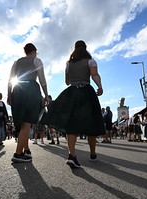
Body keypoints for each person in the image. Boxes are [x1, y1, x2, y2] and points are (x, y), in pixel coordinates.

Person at [42, 40, 105, 168]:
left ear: (74, 49)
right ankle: (92, 153)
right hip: (87, 92)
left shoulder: (68, 64)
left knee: (72, 124)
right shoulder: (91, 61)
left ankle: (72, 155)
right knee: (91, 123)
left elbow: (67, 81)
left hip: (72, 93)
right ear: (85, 48)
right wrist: (100, 86)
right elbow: (94, 74)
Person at [7, 43, 49, 163]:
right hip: (31, 89)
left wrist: (9, 95)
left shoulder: (16, 62)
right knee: (27, 123)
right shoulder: (37, 60)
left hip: (18, 90)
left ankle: (26, 150)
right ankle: (17, 153)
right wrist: (46, 95)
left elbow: (10, 80)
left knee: (21, 122)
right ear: (34, 51)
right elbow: (42, 79)